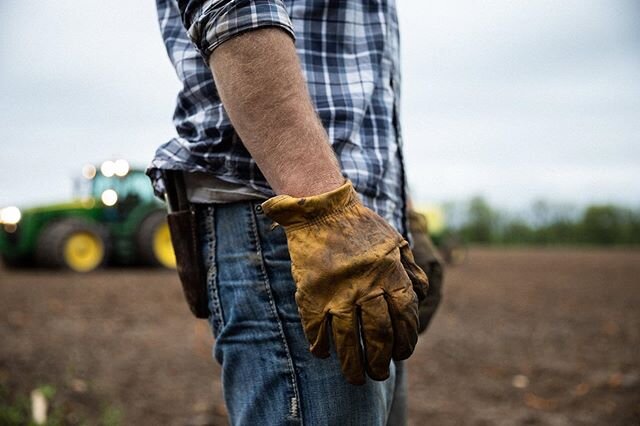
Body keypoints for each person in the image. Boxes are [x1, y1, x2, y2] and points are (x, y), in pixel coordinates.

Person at [148, 0, 429, 424]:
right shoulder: (322, 216)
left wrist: (407, 221)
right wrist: (323, 211)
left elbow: (370, 99)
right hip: (292, 225)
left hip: (369, 242)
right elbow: (237, 9)